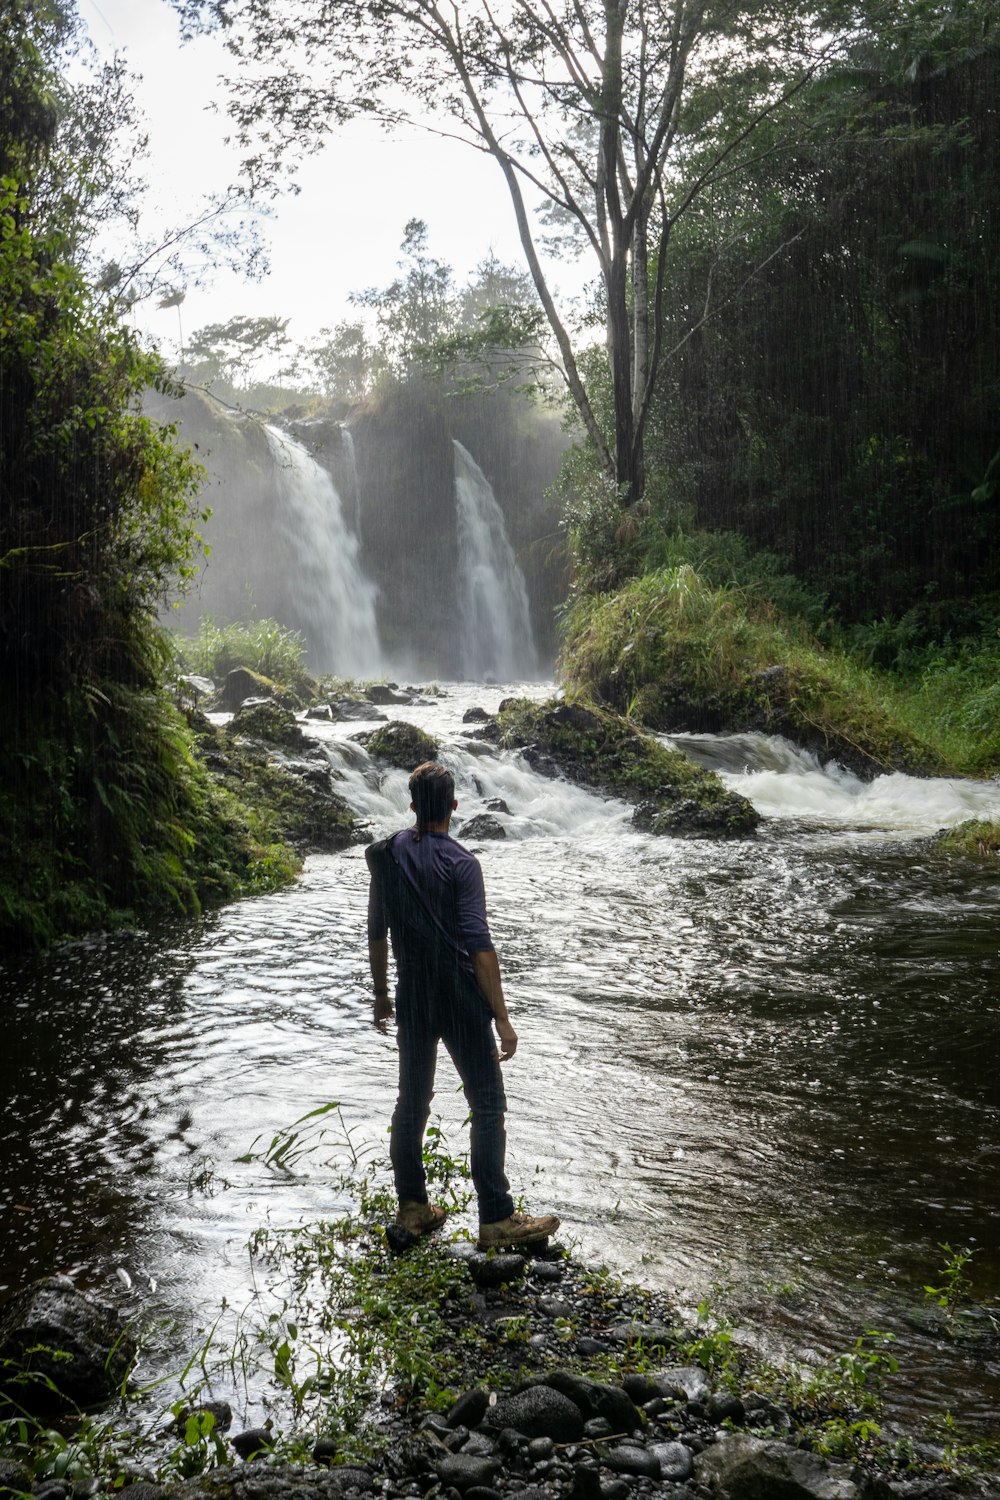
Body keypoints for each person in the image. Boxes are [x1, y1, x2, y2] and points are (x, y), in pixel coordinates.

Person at [366, 760, 559, 1249]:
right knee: (488, 1101)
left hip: (412, 995)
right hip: (459, 996)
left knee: (412, 1101)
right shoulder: (462, 864)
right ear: (454, 806)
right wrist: (503, 1019)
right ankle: (496, 1220)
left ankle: (412, 1209)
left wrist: (382, 995)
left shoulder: (384, 856)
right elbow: (479, 947)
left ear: (411, 806)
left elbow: (377, 932)